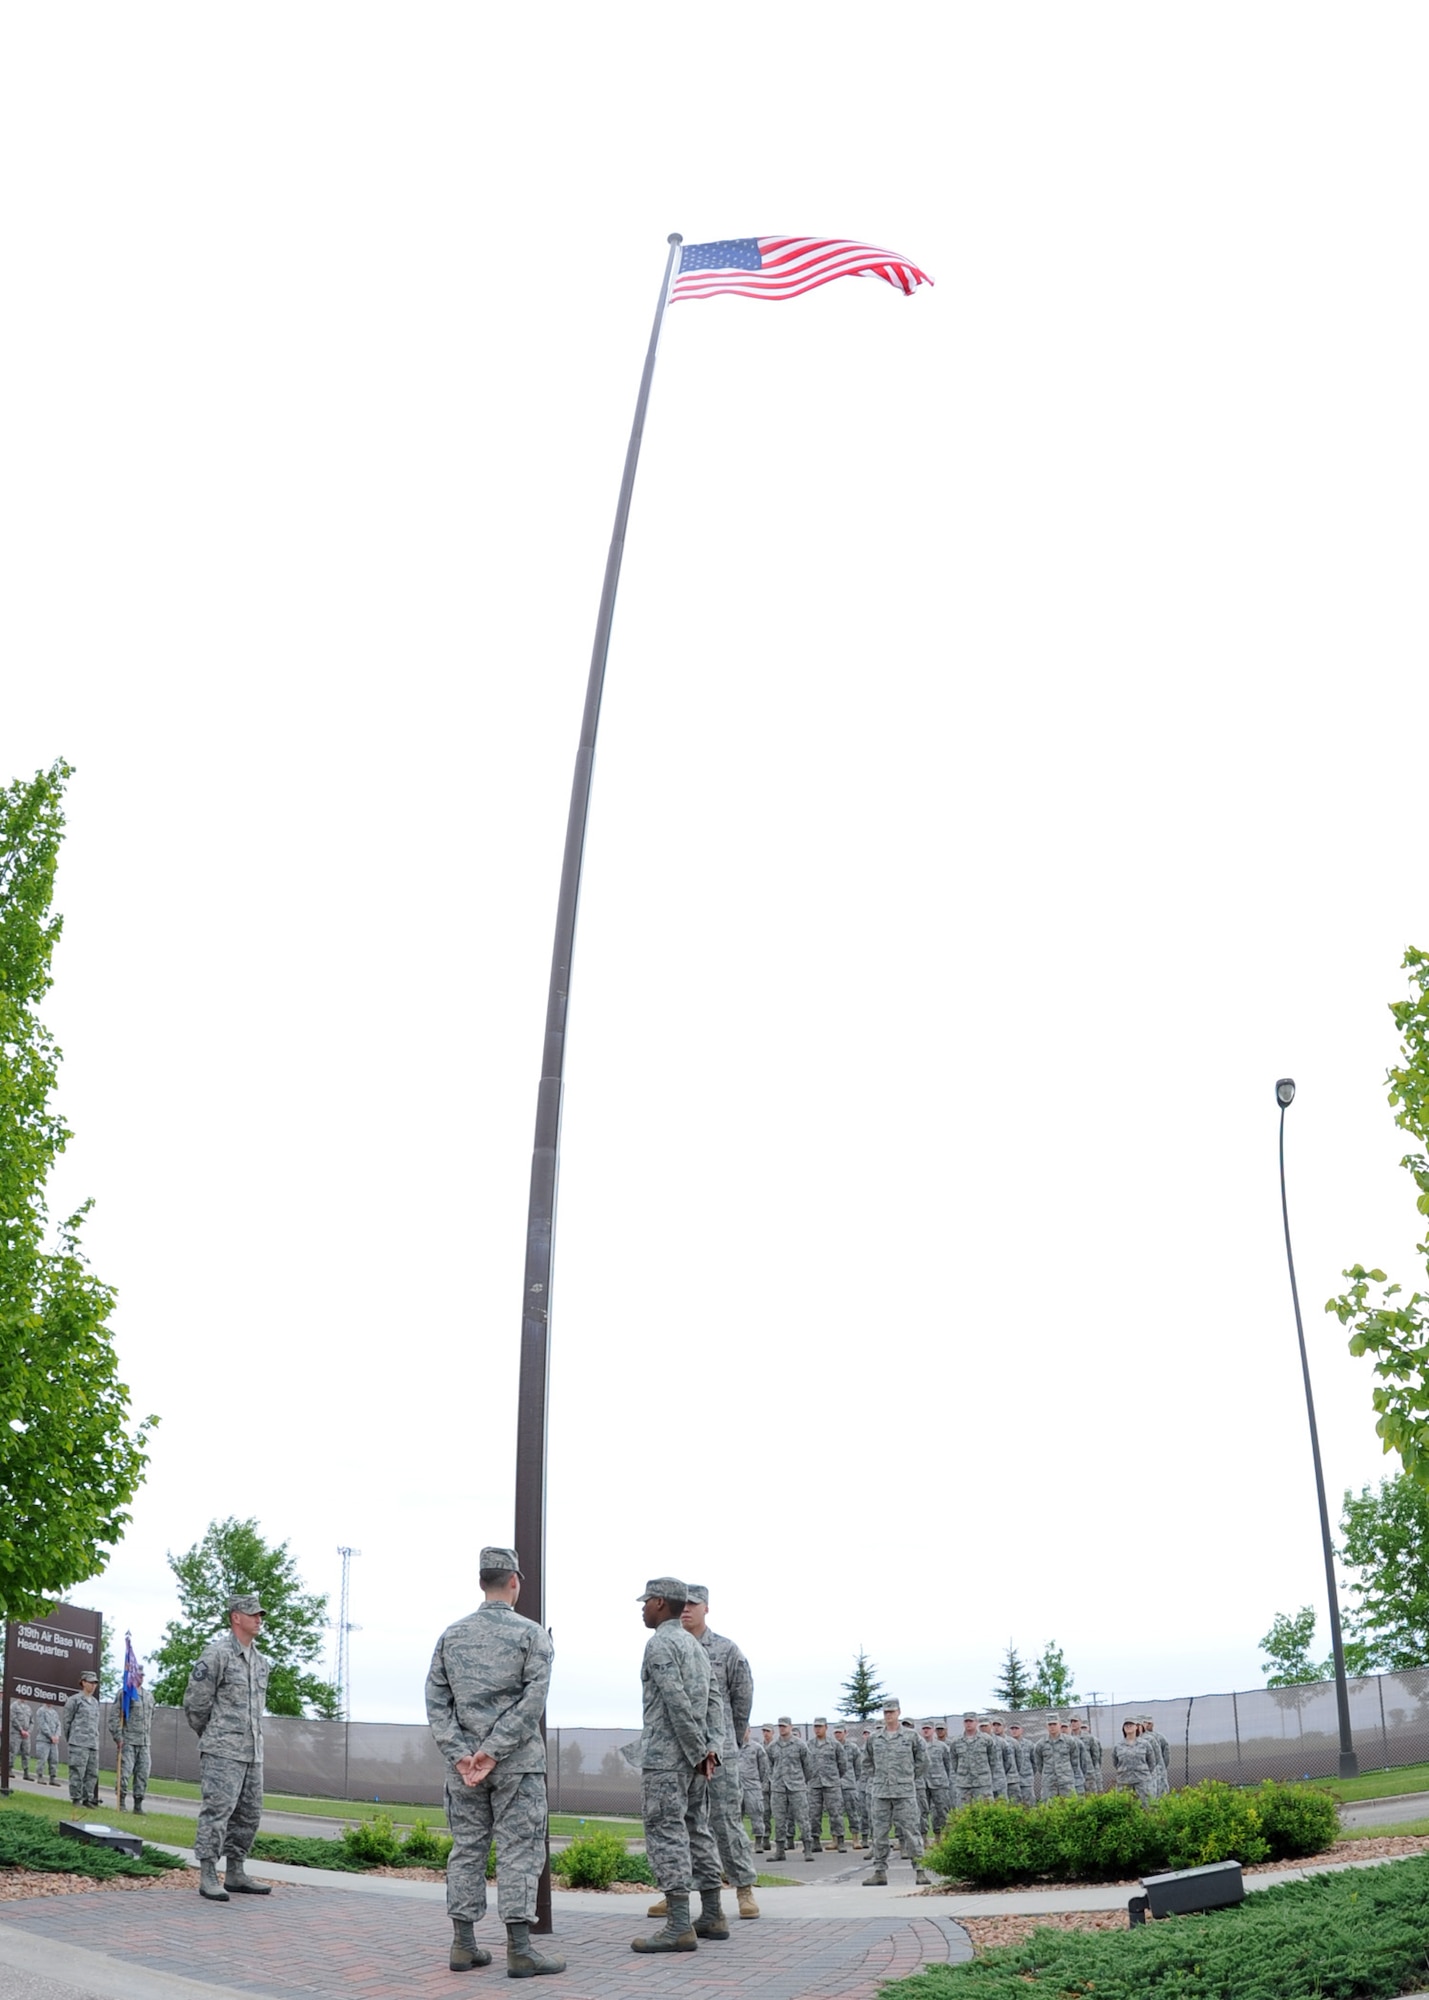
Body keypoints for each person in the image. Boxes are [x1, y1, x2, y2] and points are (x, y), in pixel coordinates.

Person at [425, 1545, 564, 1977]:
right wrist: (494, 1751)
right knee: (519, 1851)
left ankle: (463, 1945)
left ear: (481, 1581)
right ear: (515, 1582)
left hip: (463, 1769)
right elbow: (532, 1701)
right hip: (517, 1765)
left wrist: (463, 1754)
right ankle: (520, 1950)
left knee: (467, 1850)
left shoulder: (452, 1635)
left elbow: (436, 1701)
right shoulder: (532, 1635)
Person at [630, 1577, 725, 1955]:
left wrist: (697, 1751)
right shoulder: (695, 1645)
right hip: (696, 1762)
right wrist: (710, 1750)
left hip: (670, 1761)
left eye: (644, 1602)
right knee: (697, 1830)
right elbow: (714, 1701)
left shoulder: (661, 1644)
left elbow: (676, 1701)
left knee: (666, 1834)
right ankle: (713, 1915)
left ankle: (679, 1926)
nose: (640, 1609)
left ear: (658, 1603)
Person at [670, 1586, 759, 1918]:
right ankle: (676, 1891)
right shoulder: (670, 1647)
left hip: (718, 1750)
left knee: (725, 1820)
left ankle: (744, 1889)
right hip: (679, 1751)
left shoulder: (726, 1650)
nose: (686, 1610)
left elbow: (742, 1699)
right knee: (680, 1823)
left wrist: (729, 1741)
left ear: (706, 1607)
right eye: (682, 1604)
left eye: (693, 1604)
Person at [183, 1592, 274, 1903]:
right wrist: (212, 1736)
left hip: (252, 1752)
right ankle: (208, 1872)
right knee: (217, 1811)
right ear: (236, 1617)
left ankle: (236, 1870)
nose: (259, 1619)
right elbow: (196, 1703)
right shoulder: (216, 1655)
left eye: (260, 1614)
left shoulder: (261, 1663)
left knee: (249, 1814)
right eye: (253, 1614)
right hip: (222, 1750)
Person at [861, 1700, 929, 1886]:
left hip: (904, 1792)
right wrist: (877, 1778)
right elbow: (866, 1762)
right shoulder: (875, 1738)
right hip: (881, 1792)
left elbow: (923, 1761)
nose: (888, 1715)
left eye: (891, 1712)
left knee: (911, 1831)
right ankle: (879, 1871)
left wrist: (908, 1777)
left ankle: (920, 1870)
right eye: (885, 1712)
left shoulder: (911, 1737)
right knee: (880, 1833)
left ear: (899, 1712)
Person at [109, 1665, 156, 1813]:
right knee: (124, 1773)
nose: (140, 1678)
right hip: (128, 1741)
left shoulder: (149, 1696)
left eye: (142, 1675)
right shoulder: (125, 1694)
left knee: (143, 1774)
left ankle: (138, 1804)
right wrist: (118, 1737)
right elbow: (114, 1717)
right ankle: (121, 1801)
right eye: (138, 1675)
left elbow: (151, 1716)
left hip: (144, 1743)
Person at [768, 1716, 813, 1861]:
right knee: (779, 1820)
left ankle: (808, 1849)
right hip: (778, 1788)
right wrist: (774, 1780)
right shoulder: (772, 1746)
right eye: (780, 1726)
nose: (782, 1728)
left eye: (784, 1726)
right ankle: (780, 1850)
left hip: (797, 1787)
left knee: (803, 1818)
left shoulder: (800, 1745)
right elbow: (768, 1767)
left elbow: (809, 1767)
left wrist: (801, 1781)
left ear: (790, 1727)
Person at [805, 1716, 847, 1853]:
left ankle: (840, 1840)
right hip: (814, 1784)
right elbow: (805, 1764)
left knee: (836, 1813)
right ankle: (815, 1841)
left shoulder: (835, 1745)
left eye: (820, 1727)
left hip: (832, 1783)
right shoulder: (808, 1745)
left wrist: (835, 1778)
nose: (817, 1729)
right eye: (815, 1727)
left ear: (826, 1727)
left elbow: (843, 1765)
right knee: (813, 1814)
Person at [61, 1672, 101, 1807]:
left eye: (95, 1683)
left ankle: (87, 1798)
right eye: (91, 1682)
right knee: (77, 1771)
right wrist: (71, 1738)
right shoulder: (75, 1700)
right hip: (78, 1742)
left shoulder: (95, 1702)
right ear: (83, 1682)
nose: (93, 1685)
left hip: (92, 1743)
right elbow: (67, 1721)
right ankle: (76, 1798)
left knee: (92, 1773)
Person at [947, 1712, 999, 1807]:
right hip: (964, 1784)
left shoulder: (986, 1739)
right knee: (963, 1812)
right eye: (966, 1721)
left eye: (971, 1721)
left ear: (976, 1722)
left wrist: (985, 1774)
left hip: (982, 1784)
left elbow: (993, 1760)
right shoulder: (956, 1741)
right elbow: (954, 1761)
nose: (968, 1723)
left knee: (985, 1810)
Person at [1113, 1719, 1159, 1805]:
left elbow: (1152, 1762)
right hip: (1124, 1783)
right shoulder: (1118, 1746)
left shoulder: (1145, 1744)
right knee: (1125, 1808)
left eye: (1131, 1724)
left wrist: (1143, 1773)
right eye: (1126, 1724)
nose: (1128, 1726)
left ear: (1136, 1727)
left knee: (1147, 1807)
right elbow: (1115, 1763)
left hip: (1142, 1782)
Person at [1033, 1718, 1080, 1801]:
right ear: (1046, 1726)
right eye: (1050, 1725)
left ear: (1060, 1725)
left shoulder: (1069, 1741)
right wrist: (1048, 1773)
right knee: (1048, 1807)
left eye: (1054, 1724)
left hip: (1066, 1781)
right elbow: (1039, 1764)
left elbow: (1074, 1761)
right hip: (1049, 1782)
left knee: (1070, 1805)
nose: (1052, 1727)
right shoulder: (1040, 1744)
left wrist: (1067, 1773)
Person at [739, 1730, 769, 1851]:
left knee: (756, 1814)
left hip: (752, 1786)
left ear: (749, 1731)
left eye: (745, 1730)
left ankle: (758, 1841)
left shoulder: (757, 1748)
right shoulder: (733, 1747)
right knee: (735, 1816)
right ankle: (739, 1842)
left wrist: (760, 1784)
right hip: (736, 1787)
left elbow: (764, 1769)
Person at [835, 1727, 865, 1848]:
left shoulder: (853, 1748)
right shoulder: (832, 1747)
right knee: (836, 1815)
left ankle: (855, 1839)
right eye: (836, 1732)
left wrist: (852, 1779)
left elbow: (858, 1767)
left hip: (849, 1785)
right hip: (835, 1785)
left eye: (840, 1732)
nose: (838, 1735)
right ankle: (836, 1840)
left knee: (853, 1813)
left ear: (845, 1733)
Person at [921, 1724, 952, 1836]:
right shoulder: (918, 1745)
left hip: (939, 1783)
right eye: (924, 1729)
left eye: (928, 1729)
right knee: (922, 1811)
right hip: (922, 1784)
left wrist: (948, 1781)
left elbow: (948, 1765)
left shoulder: (941, 1746)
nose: (926, 1731)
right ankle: (923, 1838)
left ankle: (944, 1836)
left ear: (932, 1730)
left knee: (942, 1810)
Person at [1068, 1717, 1101, 1795]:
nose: (1073, 1723)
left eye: (1075, 1721)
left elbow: (1095, 1755)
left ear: (1080, 1723)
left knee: (1091, 1796)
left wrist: (1090, 1766)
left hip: (1088, 1773)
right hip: (1074, 1773)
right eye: (1072, 1721)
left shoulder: (1089, 1738)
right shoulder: (1068, 1739)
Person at [978, 1722, 1010, 1800]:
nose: (983, 1728)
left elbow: (1008, 1761)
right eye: (981, 1726)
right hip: (982, 1781)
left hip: (999, 1779)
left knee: (1002, 1804)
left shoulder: (1001, 1741)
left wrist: (1001, 1772)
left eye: (986, 1725)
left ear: (990, 1726)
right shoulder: (976, 1742)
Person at [1007, 1722, 1035, 1805]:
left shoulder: (1029, 1744)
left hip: (1026, 1780)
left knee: (1029, 1805)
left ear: (1021, 1730)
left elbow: (1035, 1762)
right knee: (1014, 1804)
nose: (1014, 1731)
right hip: (1011, 1781)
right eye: (1012, 1729)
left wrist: (1029, 1774)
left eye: (1016, 1728)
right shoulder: (1006, 1744)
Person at [34, 1701, 62, 1785]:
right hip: (43, 1739)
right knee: (42, 1759)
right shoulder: (41, 1711)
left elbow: (58, 1725)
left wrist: (57, 1735)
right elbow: (43, 1725)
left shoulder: (54, 1712)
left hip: (53, 1741)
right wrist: (51, 1736)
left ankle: (52, 1778)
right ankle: (40, 1776)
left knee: (54, 1759)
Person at [9, 1697, 32, 1781]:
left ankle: (26, 1772)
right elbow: (13, 1719)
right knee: (13, 1751)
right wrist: (21, 1730)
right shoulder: (14, 1706)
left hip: (26, 1735)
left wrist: (28, 1731)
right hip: (16, 1733)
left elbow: (32, 1721)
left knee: (26, 1753)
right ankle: (9, 1769)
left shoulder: (28, 1707)